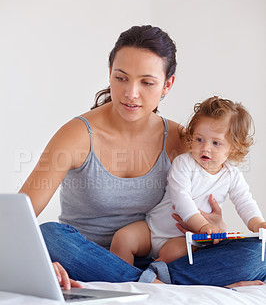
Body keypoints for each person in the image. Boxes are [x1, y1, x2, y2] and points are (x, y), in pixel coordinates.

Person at [19, 25, 265, 289]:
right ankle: (154, 285)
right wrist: (41, 259)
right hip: (86, 257)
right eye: (121, 78)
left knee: (258, 254)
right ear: (110, 75)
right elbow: (19, 215)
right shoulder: (77, 135)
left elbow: (208, 199)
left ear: (167, 85)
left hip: (159, 258)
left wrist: (214, 226)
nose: (131, 93)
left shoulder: (180, 139)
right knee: (49, 237)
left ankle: (146, 281)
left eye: (147, 82)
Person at [110, 96, 266, 264]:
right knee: (122, 238)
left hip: (182, 237)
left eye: (216, 143)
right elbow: (181, 199)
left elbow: (245, 201)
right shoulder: (184, 163)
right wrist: (202, 226)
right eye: (199, 139)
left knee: (176, 255)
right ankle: (123, 278)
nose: (205, 147)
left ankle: (151, 274)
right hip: (152, 228)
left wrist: (258, 224)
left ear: (233, 148)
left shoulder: (232, 175)